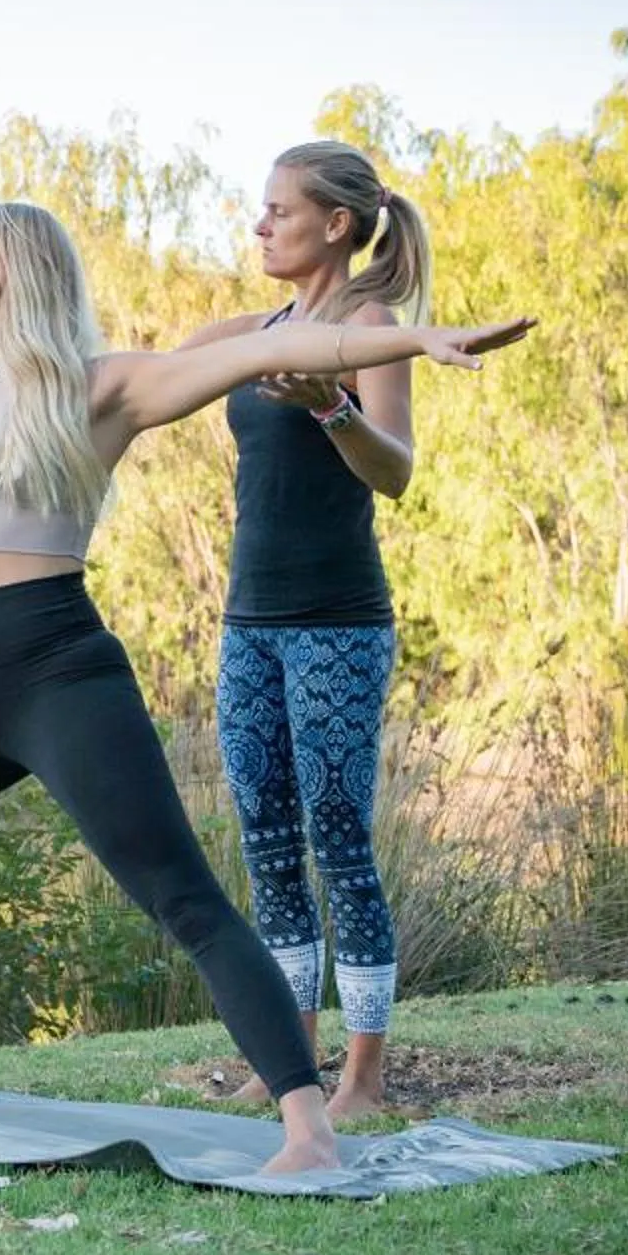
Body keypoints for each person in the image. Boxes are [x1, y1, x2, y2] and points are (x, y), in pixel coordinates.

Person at [0, 200, 528, 1174]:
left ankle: (310, 1129)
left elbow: (252, 359)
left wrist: (421, 335)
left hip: (62, 682)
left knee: (186, 902)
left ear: (4, 276)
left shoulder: (107, 386)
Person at [181, 142, 429, 1121]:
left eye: (277, 209)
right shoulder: (251, 330)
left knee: (337, 837)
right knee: (270, 841)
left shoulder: (371, 325)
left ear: (334, 223)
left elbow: (396, 470)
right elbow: (132, 373)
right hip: (250, 623)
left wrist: (330, 404)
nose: (260, 224)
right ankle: (289, 1062)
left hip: (336, 624)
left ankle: (364, 1078)